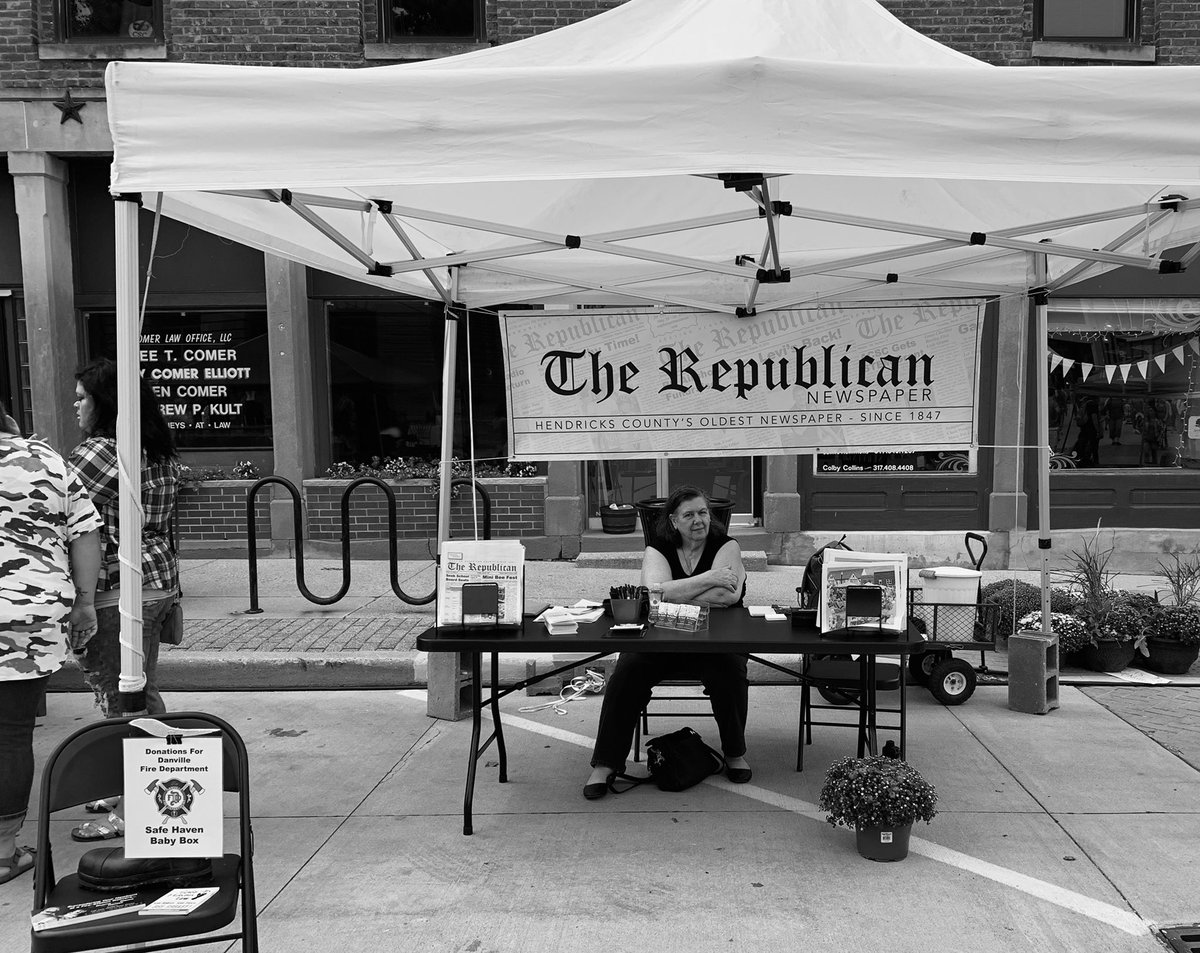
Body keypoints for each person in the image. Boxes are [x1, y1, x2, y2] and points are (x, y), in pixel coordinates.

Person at [67, 359, 181, 840]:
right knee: (138, 690)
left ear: (105, 402)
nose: (75, 406)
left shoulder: (100, 451)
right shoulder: (155, 447)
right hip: (156, 577)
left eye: (82, 398)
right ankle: (132, 786)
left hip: (119, 583)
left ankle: (140, 807)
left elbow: (56, 508)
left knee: (124, 699)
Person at [583, 486, 750, 800]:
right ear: (673, 521)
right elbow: (652, 594)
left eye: (703, 513)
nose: (698, 520)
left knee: (730, 671)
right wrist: (708, 578)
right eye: (689, 515)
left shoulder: (727, 545)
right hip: (662, 638)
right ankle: (605, 764)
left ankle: (734, 753)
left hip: (716, 639)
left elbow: (727, 596)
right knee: (628, 670)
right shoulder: (658, 548)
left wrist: (671, 591)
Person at [0, 401, 101, 884]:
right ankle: (3, 851)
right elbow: (85, 534)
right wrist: (85, 603)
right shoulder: (47, 461)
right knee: (11, 734)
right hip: (30, 615)